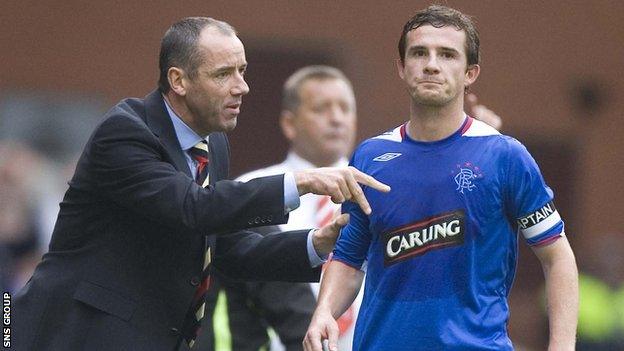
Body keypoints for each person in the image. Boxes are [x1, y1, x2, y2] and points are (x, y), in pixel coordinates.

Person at [12, 17, 390, 351]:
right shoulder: (125, 132)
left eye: (242, 71)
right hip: (73, 336)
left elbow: (226, 245)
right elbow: (193, 208)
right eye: (223, 74)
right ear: (178, 80)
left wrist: (316, 243)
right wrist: (303, 180)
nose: (242, 87)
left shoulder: (213, 143)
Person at [303, 5, 578, 351]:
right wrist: (324, 311)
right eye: (419, 53)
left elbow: (557, 257)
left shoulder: (506, 157)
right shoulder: (371, 157)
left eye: (447, 55)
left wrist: (563, 347)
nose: (431, 64)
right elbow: (348, 257)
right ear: (402, 68)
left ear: (471, 73)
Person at [201, 65, 504, 351]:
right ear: (289, 123)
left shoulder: (385, 186)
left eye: (345, 109)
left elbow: (439, 235)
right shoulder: (257, 188)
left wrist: (472, 154)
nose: (336, 118)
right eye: (322, 108)